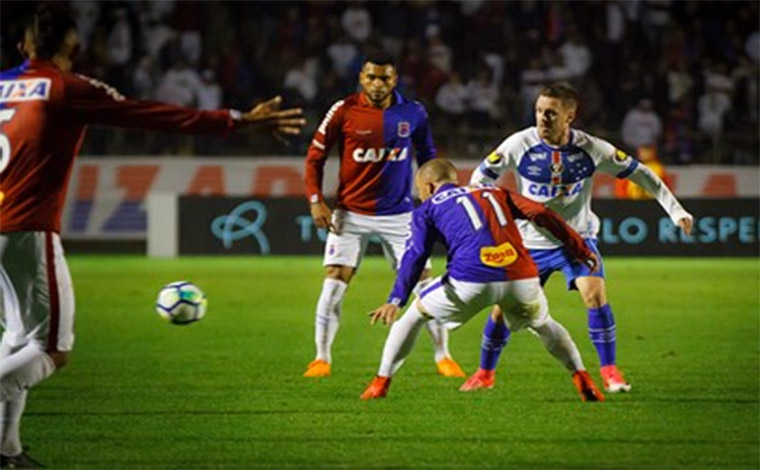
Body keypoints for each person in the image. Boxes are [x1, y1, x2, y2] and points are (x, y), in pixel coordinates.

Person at [0, 6, 305, 468]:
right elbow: (150, 114)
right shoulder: (66, 88)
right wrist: (235, 120)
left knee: (17, 338)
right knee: (51, 349)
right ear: (72, 46)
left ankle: (7, 451)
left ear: (23, 46)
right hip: (26, 227)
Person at [461, 82, 693, 393]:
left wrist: (675, 210)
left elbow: (642, 173)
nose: (543, 118)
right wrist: (489, 216)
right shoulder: (519, 143)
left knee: (595, 295)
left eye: (551, 113)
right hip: (529, 243)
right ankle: (484, 374)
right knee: (504, 309)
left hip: (577, 240)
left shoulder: (592, 148)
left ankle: (610, 371)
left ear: (570, 116)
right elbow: (480, 178)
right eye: (539, 111)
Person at [360, 159, 605, 402]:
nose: (421, 195)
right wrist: (580, 248)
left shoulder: (427, 208)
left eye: (421, 189)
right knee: (543, 324)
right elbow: (540, 212)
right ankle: (583, 378)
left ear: (430, 186)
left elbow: (415, 255)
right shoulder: (494, 191)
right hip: (521, 278)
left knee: (415, 313)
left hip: (471, 281)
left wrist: (396, 299)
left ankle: (380, 383)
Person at [303, 50, 463, 379]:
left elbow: (428, 157)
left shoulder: (413, 112)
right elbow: (314, 157)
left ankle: (443, 356)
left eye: (384, 78)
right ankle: (321, 358)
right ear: (361, 78)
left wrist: (436, 197)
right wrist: (316, 199)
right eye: (371, 77)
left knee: (423, 285)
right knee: (333, 284)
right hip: (350, 213)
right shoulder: (343, 110)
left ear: (395, 79)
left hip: (400, 214)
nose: (377, 84)